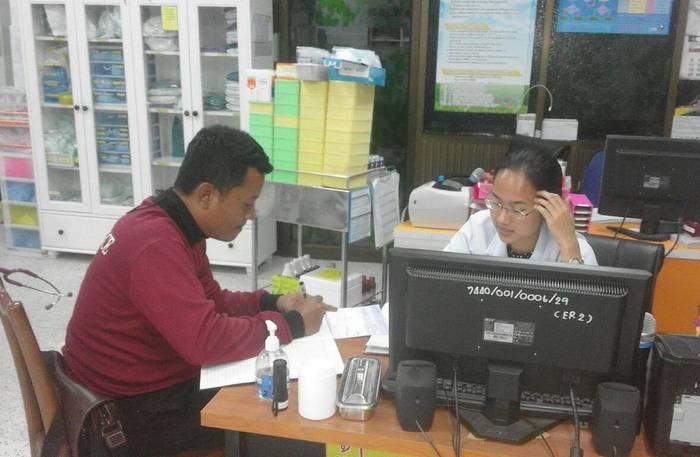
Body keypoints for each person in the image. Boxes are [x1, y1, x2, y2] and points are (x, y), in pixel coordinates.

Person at [63, 126, 333, 456]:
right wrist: (291, 324)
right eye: (247, 204)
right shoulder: (155, 244)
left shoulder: (176, 224)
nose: (250, 216)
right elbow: (205, 341)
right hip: (125, 416)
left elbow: (212, 302)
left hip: (147, 388)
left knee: (273, 387)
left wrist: (271, 300)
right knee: (276, 416)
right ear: (206, 194)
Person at [444, 147, 598, 265]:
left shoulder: (576, 249)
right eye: (496, 203)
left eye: (518, 209)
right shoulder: (477, 228)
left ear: (549, 206)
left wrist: (569, 246)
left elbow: (584, 306)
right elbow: (440, 285)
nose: (502, 219)